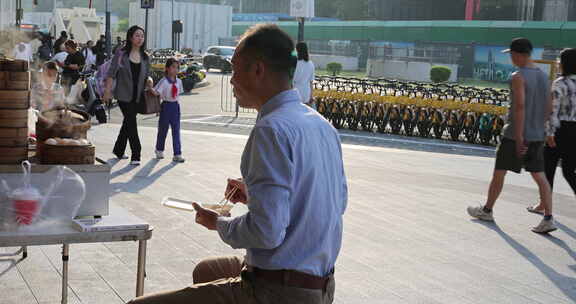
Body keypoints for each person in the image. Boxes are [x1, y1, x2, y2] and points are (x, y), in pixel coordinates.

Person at [127, 24, 348, 304]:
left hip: (277, 291)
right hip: (319, 282)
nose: (231, 80)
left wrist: (218, 223)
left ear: (258, 70)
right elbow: (334, 203)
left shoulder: (271, 129)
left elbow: (266, 233)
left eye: (235, 69)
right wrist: (256, 194)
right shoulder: (320, 124)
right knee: (206, 270)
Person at [467, 38, 556, 234]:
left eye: (512, 55)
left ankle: (487, 210)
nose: (511, 58)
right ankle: (548, 218)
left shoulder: (518, 76)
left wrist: (518, 137)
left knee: (500, 171)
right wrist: (544, 131)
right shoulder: (544, 77)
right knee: (540, 176)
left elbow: (520, 107)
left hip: (515, 135)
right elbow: (550, 108)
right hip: (537, 135)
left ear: (518, 55)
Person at [528, 49, 576, 213]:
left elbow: (552, 110)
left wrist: (549, 133)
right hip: (574, 132)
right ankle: (543, 204)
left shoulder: (560, 83)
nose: (557, 63)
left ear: (564, 64)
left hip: (560, 130)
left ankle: (544, 205)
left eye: (558, 60)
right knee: (569, 171)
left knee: (547, 169)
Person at [104, 25, 151, 166]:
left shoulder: (145, 57)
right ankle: (136, 154)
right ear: (130, 37)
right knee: (131, 122)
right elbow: (111, 73)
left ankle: (118, 150)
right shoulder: (121, 54)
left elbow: (147, 74)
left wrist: (149, 80)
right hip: (123, 95)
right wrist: (107, 91)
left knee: (128, 123)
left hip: (138, 96)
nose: (140, 38)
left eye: (142, 36)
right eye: (137, 35)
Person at [151, 58, 185, 163]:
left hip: (175, 106)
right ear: (167, 68)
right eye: (173, 67)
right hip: (166, 106)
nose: (175, 70)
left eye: (177, 67)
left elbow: (178, 94)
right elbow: (157, 93)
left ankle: (177, 154)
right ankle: (159, 150)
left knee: (176, 130)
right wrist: (149, 87)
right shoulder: (164, 81)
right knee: (163, 130)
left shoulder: (179, 81)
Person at [293, 42, 316, 107]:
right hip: (306, 93)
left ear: (297, 50)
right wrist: (311, 96)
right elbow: (311, 82)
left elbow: (291, 80)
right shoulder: (311, 64)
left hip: (296, 92)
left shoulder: (295, 63)